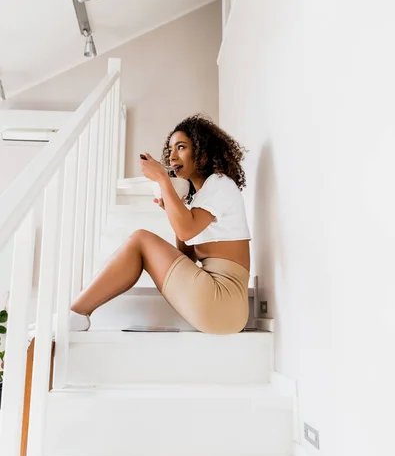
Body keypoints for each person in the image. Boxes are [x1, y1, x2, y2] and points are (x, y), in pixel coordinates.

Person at [31, 114, 251, 338]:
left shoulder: (220, 183)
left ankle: (75, 314)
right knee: (141, 241)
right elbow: (186, 254)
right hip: (218, 303)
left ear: (202, 150)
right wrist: (173, 209)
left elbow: (186, 231)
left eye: (181, 147)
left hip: (224, 301)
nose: (173, 156)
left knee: (140, 239)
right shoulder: (199, 199)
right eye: (170, 149)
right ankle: (74, 314)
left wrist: (162, 181)